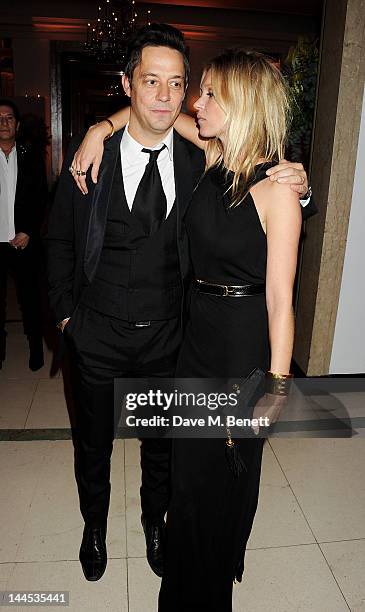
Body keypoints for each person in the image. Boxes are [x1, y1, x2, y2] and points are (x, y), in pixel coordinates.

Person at [50, 24, 313, 585]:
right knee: (94, 444)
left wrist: (301, 186)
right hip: (103, 335)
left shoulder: (204, 156)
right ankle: (94, 526)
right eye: (152, 81)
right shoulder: (106, 157)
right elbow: (60, 242)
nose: (171, 97)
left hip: (177, 337)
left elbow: (269, 253)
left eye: (181, 84)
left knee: (167, 452)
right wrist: (67, 318)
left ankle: (157, 527)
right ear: (128, 84)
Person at [0, 99, 47, 372]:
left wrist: (29, 230)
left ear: (16, 125)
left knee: (31, 299)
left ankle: (36, 349)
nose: (4, 122)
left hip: (24, 241)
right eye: (0, 118)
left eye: (8, 118)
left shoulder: (30, 155)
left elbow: (40, 197)